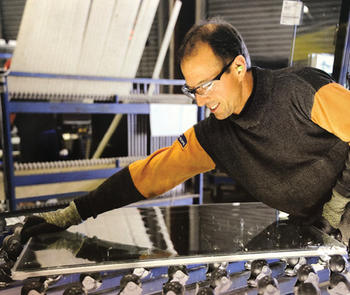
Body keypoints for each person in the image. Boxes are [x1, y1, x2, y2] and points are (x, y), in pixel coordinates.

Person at [21, 18, 350, 246]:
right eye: (192, 90)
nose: (201, 100)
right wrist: (70, 214)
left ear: (237, 67)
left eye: (206, 86)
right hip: (315, 227)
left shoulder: (302, 92)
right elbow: (150, 175)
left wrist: (337, 203)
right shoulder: (215, 137)